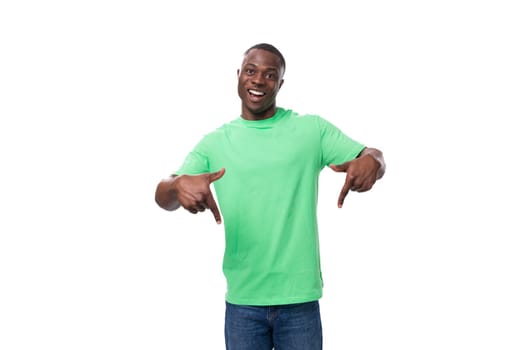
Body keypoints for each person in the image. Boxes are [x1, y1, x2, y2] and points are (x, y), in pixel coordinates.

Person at [155, 43, 386, 350]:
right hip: (243, 303)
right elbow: (163, 192)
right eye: (251, 71)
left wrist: (374, 161)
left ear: (280, 83)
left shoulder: (310, 130)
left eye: (269, 74)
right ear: (238, 76)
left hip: (299, 301)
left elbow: (371, 156)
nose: (258, 80)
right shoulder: (215, 143)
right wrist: (178, 186)